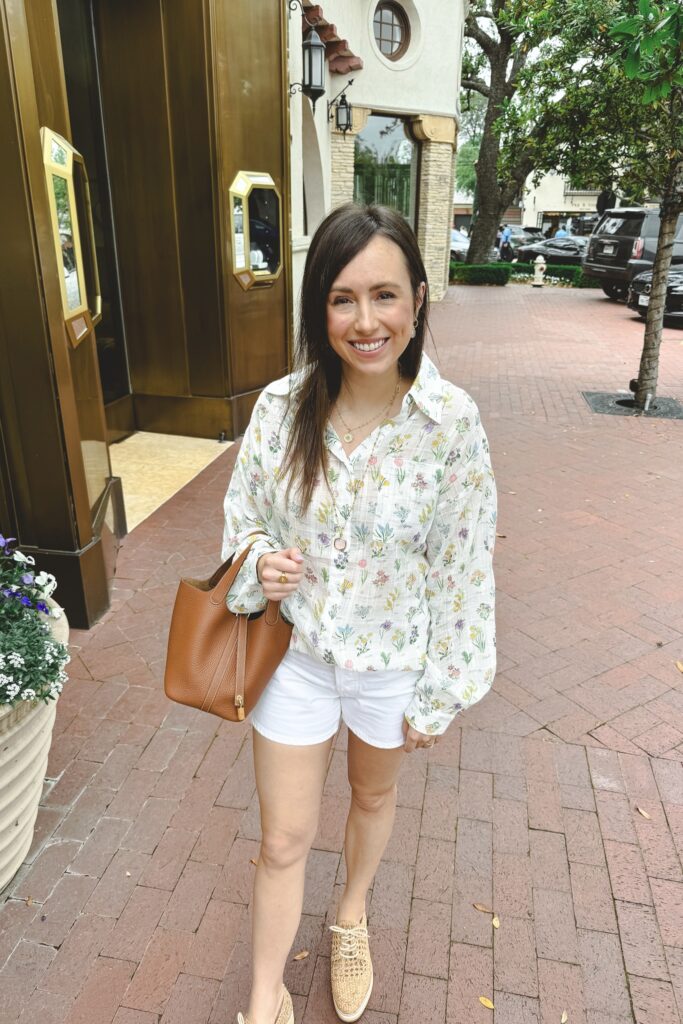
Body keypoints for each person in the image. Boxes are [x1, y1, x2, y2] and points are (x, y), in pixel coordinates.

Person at [222, 203, 497, 1024]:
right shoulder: (280, 408)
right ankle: (263, 999)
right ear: (320, 311)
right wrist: (256, 564)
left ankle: (349, 916)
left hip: (391, 666)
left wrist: (442, 688)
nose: (365, 320)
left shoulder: (450, 427)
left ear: (417, 299)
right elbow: (243, 520)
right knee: (281, 841)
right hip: (298, 658)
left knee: (371, 802)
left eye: (384, 295)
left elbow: (463, 564)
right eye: (342, 298)